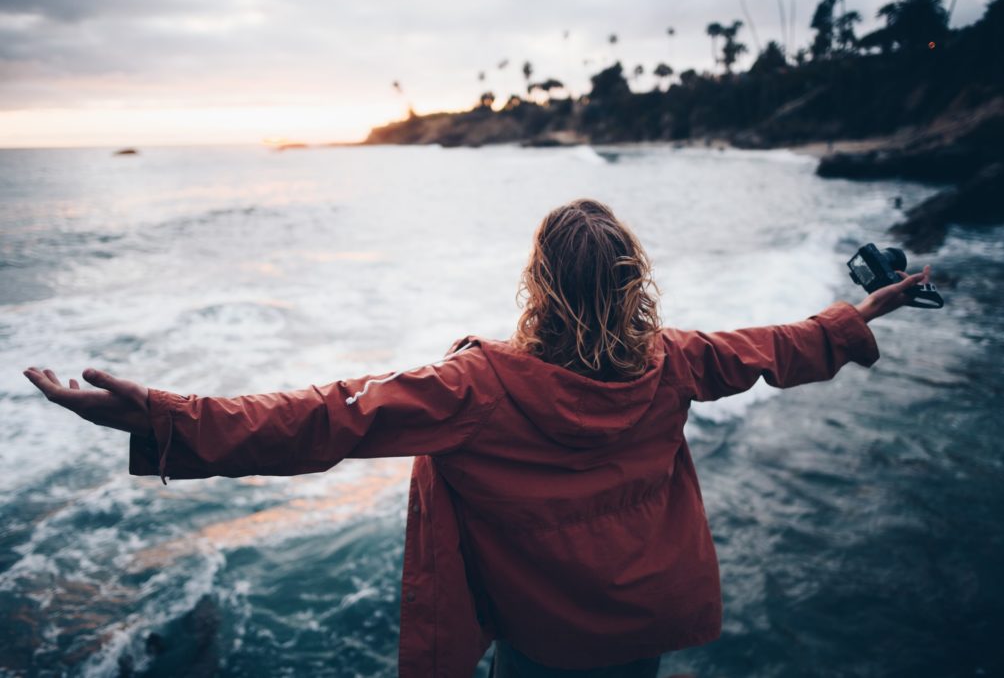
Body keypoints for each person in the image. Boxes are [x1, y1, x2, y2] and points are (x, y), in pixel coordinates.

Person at [24, 199, 931, 677]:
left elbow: (320, 418)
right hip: (649, 613)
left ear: (537, 284)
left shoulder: (476, 388)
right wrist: (861, 313)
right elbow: (775, 347)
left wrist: (161, 416)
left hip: (548, 636)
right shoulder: (674, 361)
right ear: (631, 285)